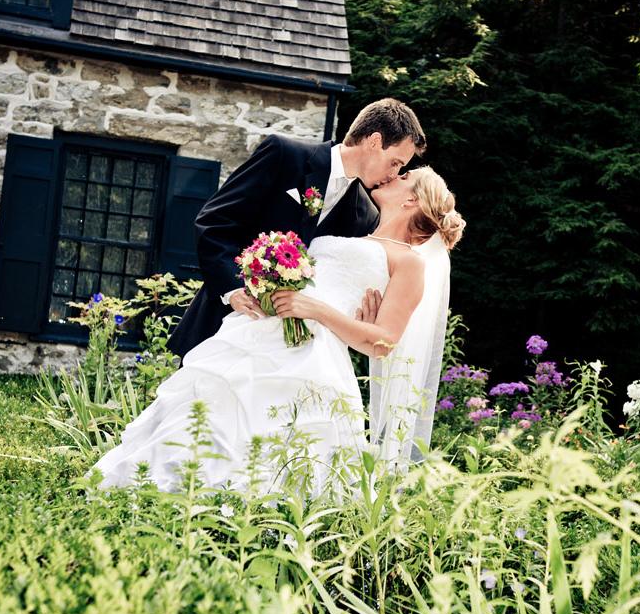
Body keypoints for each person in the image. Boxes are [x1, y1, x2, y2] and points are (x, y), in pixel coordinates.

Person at [93, 167, 465, 494]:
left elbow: (382, 342)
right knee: (207, 408)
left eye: (404, 176)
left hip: (310, 357)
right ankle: (156, 490)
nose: (392, 175)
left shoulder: (409, 263)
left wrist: (316, 310)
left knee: (270, 442)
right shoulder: (354, 231)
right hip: (257, 331)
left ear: (412, 199)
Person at [167, 97, 427, 358]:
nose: (394, 174)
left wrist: (360, 322)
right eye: (395, 162)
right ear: (374, 142)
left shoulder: (365, 215)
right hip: (219, 326)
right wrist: (232, 290)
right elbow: (215, 222)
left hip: (286, 354)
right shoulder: (284, 155)